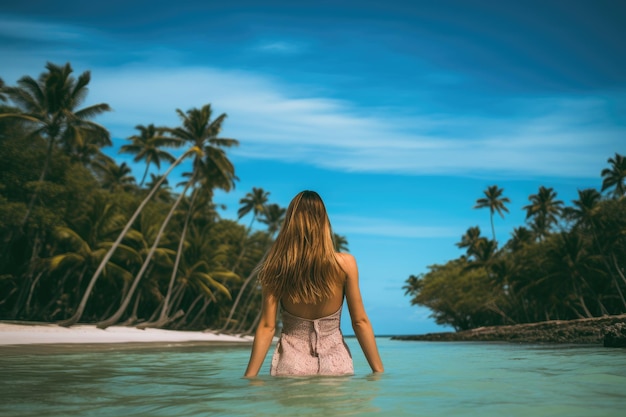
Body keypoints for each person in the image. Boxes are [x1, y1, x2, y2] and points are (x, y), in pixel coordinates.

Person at [244, 190, 384, 377]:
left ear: (290, 223)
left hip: (291, 364)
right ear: (324, 222)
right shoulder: (345, 264)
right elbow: (359, 322)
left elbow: (267, 327)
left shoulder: (277, 267)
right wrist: (379, 372)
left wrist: (249, 377)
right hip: (336, 364)